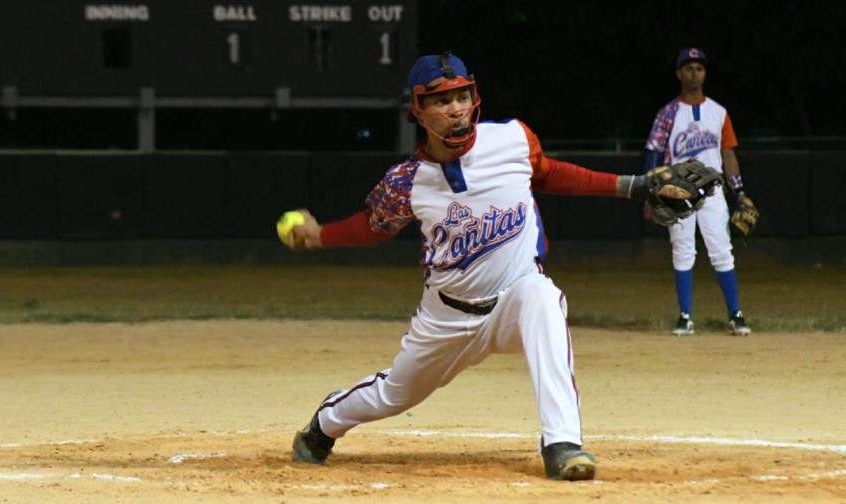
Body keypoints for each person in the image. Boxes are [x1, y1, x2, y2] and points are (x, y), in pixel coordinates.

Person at [283, 52, 682, 481]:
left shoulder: (512, 138)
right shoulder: (407, 181)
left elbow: (547, 173)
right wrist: (318, 235)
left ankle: (562, 442)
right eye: (440, 100)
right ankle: (325, 424)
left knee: (543, 298)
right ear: (417, 110)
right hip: (447, 318)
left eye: (462, 96)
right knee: (393, 395)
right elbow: (373, 227)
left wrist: (632, 186)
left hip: (514, 297)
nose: (455, 108)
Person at [643, 47, 752, 337]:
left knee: (721, 252)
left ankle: (735, 314)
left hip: (713, 191)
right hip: (677, 193)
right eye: (688, 67)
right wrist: (650, 194)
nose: (694, 72)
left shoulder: (719, 112)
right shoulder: (667, 114)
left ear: (705, 73)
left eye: (699, 68)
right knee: (682, 251)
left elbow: (728, 154)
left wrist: (739, 193)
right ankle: (685, 316)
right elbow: (653, 154)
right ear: (679, 73)